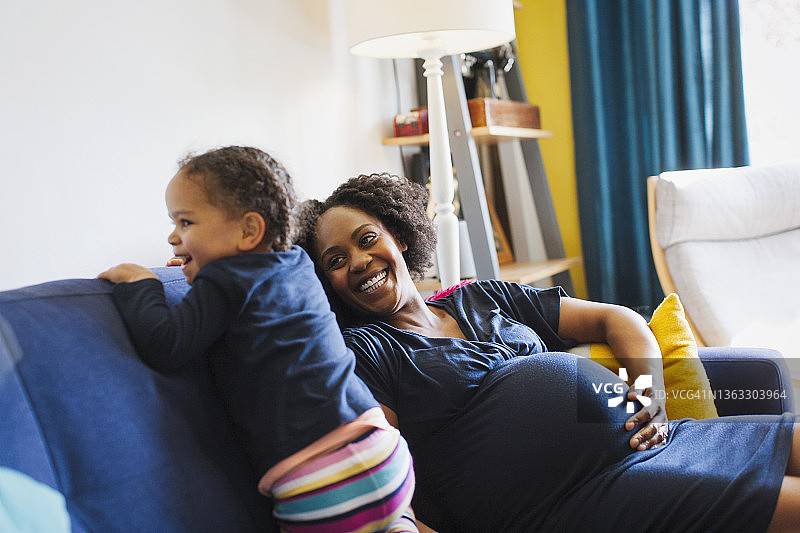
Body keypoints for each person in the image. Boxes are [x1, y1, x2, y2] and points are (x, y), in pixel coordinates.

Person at [297, 172, 800, 533]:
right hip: (581, 496)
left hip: (660, 440)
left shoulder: (481, 296)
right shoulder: (365, 353)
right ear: (328, 284)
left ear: (399, 237)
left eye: (367, 240)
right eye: (336, 261)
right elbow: (379, 470)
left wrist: (651, 395)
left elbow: (615, 318)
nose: (359, 262)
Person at [98, 148, 417, 533]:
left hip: (321, 478)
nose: (172, 236)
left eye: (185, 222)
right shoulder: (298, 265)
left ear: (249, 231)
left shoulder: (225, 279)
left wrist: (141, 285)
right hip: (384, 451)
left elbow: (167, 344)